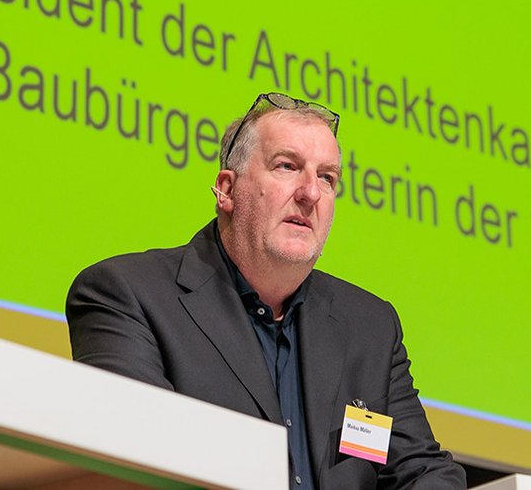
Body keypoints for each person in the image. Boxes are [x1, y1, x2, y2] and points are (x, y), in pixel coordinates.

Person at [67, 91, 466, 490]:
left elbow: (424, 471)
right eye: (287, 166)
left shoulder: (369, 327)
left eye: (327, 178)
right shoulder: (126, 295)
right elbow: (136, 460)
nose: (311, 193)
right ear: (227, 189)